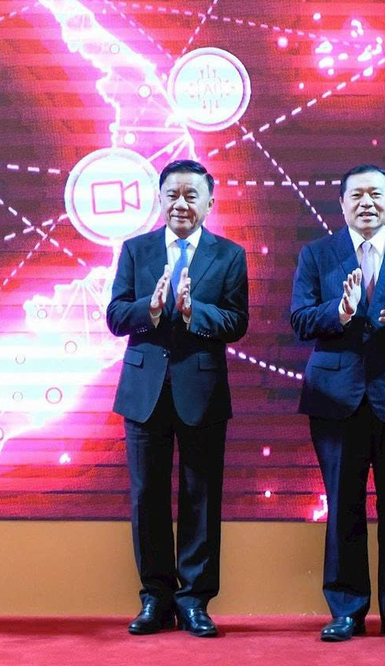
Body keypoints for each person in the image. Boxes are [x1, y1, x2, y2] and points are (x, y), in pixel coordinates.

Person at [289, 164, 385, 643]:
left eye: (376, 194)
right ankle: (346, 609)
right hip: (335, 399)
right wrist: (338, 313)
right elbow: (299, 319)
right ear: (341, 204)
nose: (366, 203)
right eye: (356, 195)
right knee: (343, 507)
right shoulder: (317, 254)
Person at [106, 158, 249, 638]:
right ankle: (155, 598)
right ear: (160, 199)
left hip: (202, 391)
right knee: (147, 496)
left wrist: (193, 312)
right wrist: (149, 310)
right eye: (173, 194)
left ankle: (194, 602)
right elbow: (115, 315)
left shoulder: (229, 255)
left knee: (199, 496)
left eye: (192, 195)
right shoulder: (136, 250)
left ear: (210, 202)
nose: (182, 203)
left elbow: (237, 322)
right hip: (144, 391)